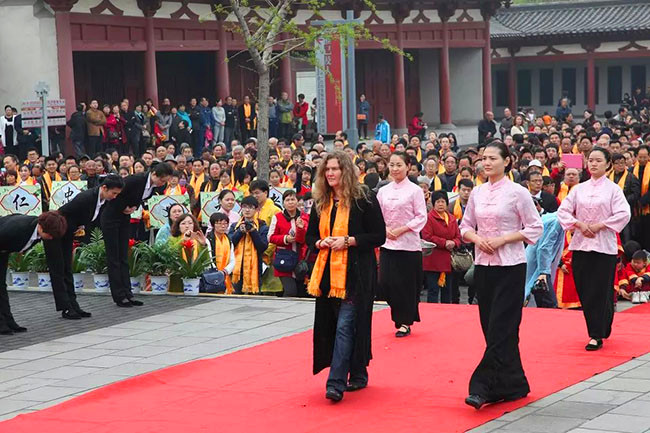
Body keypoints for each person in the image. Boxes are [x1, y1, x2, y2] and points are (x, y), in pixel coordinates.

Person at [459, 140, 543, 409]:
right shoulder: (477, 193)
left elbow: (535, 227)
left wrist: (503, 239)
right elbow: (465, 226)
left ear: (507, 162)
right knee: (491, 327)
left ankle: (481, 387)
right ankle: (514, 384)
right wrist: (477, 238)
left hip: (511, 266)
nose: (486, 163)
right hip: (484, 267)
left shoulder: (518, 192)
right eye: (484, 158)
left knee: (501, 327)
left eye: (492, 158)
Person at [306, 150, 385, 402]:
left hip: (357, 273)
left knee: (344, 326)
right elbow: (309, 236)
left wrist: (349, 241)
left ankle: (336, 383)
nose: (330, 173)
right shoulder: (321, 201)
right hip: (327, 275)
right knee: (342, 326)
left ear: (346, 171)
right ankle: (358, 373)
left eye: (335, 169)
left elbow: (379, 236)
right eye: (327, 169)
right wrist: (321, 242)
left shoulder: (364, 197)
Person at [557, 147, 631, 351]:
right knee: (585, 289)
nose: (594, 164)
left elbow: (624, 213)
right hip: (581, 244)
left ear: (608, 164)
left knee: (599, 290)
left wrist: (601, 225)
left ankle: (595, 334)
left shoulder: (613, 189)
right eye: (591, 160)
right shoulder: (579, 189)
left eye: (598, 160)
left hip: (603, 246)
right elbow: (563, 211)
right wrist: (578, 224)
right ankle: (601, 324)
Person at [44, 175, 124, 320]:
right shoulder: (86, 198)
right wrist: (74, 227)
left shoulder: (102, 200)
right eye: (114, 193)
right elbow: (62, 213)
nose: (115, 197)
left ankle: (73, 305)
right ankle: (65, 307)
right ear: (104, 188)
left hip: (68, 233)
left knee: (67, 269)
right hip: (55, 232)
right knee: (58, 270)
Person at [101, 162, 173, 308]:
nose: (162, 184)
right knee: (114, 257)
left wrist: (133, 207)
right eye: (162, 180)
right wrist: (125, 207)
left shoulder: (153, 187)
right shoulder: (135, 180)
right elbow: (115, 195)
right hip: (111, 218)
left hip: (124, 218)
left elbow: (138, 199)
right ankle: (119, 295)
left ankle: (128, 293)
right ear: (154, 174)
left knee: (124, 256)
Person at [377, 152, 427, 337]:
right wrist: (384, 229)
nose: (395, 169)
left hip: (408, 245)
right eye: (392, 165)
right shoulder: (383, 191)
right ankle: (399, 313)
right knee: (385, 283)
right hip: (387, 243)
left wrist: (402, 229)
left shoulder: (415, 191)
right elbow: (377, 215)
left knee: (405, 286)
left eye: (399, 165)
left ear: (408, 166)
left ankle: (404, 321)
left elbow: (421, 216)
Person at [0, 212, 68, 334]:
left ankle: (9, 321)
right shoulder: (18, 229)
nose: (51, 238)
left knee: (1, 286)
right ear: (41, 228)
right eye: (50, 235)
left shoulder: (38, 229)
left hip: (3, 249)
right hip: (2, 244)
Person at [421, 190, 461, 303]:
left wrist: (454, 242)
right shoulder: (428, 218)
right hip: (433, 260)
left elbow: (458, 236)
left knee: (447, 291)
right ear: (433, 204)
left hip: (449, 261)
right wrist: (444, 243)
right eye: (438, 202)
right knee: (433, 290)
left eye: (443, 202)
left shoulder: (452, 218)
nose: (440, 204)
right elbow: (427, 236)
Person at [268, 189, 309, 297]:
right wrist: (285, 239)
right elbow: (270, 237)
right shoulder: (277, 217)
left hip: (300, 259)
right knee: (290, 291)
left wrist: (300, 229)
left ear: (297, 201)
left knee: (301, 292)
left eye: (293, 199)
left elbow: (304, 239)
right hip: (284, 259)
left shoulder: (304, 217)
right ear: (283, 203)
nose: (290, 202)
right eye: (287, 200)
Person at [229, 196, 269, 294]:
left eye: (251, 207)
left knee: (254, 296)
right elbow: (230, 244)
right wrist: (239, 232)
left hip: (255, 267)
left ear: (257, 209)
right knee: (235, 296)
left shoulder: (262, 226)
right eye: (245, 207)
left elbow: (262, 247)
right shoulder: (235, 226)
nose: (247, 210)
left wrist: (253, 232)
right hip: (237, 267)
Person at [524, 212, 565, 308]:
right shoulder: (556, 222)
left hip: (536, 265)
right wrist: (544, 272)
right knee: (549, 305)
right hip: (540, 269)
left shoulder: (552, 218)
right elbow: (544, 248)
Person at [207, 212, 236, 293]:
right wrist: (217, 273)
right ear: (213, 225)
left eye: (225, 224)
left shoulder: (228, 240)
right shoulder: (209, 239)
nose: (223, 226)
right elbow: (209, 259)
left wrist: (225, 271)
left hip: (225, 274)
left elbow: (232, 260)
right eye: (219, 223)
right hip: (213, 274)